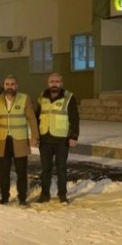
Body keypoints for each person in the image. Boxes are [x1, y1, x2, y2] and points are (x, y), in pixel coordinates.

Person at [0, 75, 39, 206]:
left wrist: (35, 135)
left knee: (21, 172)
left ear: (17, 86)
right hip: (3, 140)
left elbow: (32, 118)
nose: (9, 86)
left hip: (20, 140)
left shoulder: (24, 98)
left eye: (12, 84)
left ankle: (22, 197)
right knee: (4, 172)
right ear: (4, 85)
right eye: (7, 84)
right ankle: (4, 196)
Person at [35, 73, 80, 204]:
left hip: (62, 140)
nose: (54, 84)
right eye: (51, 81)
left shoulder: (68, 97)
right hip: (45, 139)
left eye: (57, 81)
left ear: (62, 83)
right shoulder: (42, 97)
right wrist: (36, 136)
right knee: (45, 169)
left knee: (61, 169)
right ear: (48, 83)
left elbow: (74, 118)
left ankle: (62, 195)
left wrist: (73, 136)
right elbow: (37, 118)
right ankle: (44, 195)